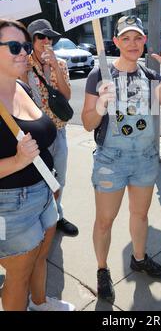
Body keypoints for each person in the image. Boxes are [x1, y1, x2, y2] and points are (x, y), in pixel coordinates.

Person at [81, 15, 161, 302]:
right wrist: (101, 102)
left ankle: (138, 258)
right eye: (125, 38)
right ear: (115, 42)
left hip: (144, 159)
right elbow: (88, 123)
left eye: (137, 37)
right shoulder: (98, 75)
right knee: (105, 220)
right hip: (110, 160)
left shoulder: (152, 76)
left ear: (143, 41)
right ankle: (102, 269)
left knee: (140, 215)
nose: (132, 43)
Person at [0, 18, 74, 311]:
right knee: (18, 276)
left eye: (25, 46)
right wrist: (18, 160)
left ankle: (40, 304)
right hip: (10, 205)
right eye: (15, 46)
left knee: (40, 257)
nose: (23, 52)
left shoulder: (22, 86)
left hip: (44, 193)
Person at [22, 19, 78, 237]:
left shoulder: (61, 63)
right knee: (36, 179)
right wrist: (23, 73)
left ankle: (57, 216)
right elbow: (20, 97)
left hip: (58, 131)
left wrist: (54, 65)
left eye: (49, 37)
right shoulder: (23, 63)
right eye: (41, 37)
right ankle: (38, 219)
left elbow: (67, 95)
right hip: (33, 135)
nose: (46, 41)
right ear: (32, 40)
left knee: (59, 178)